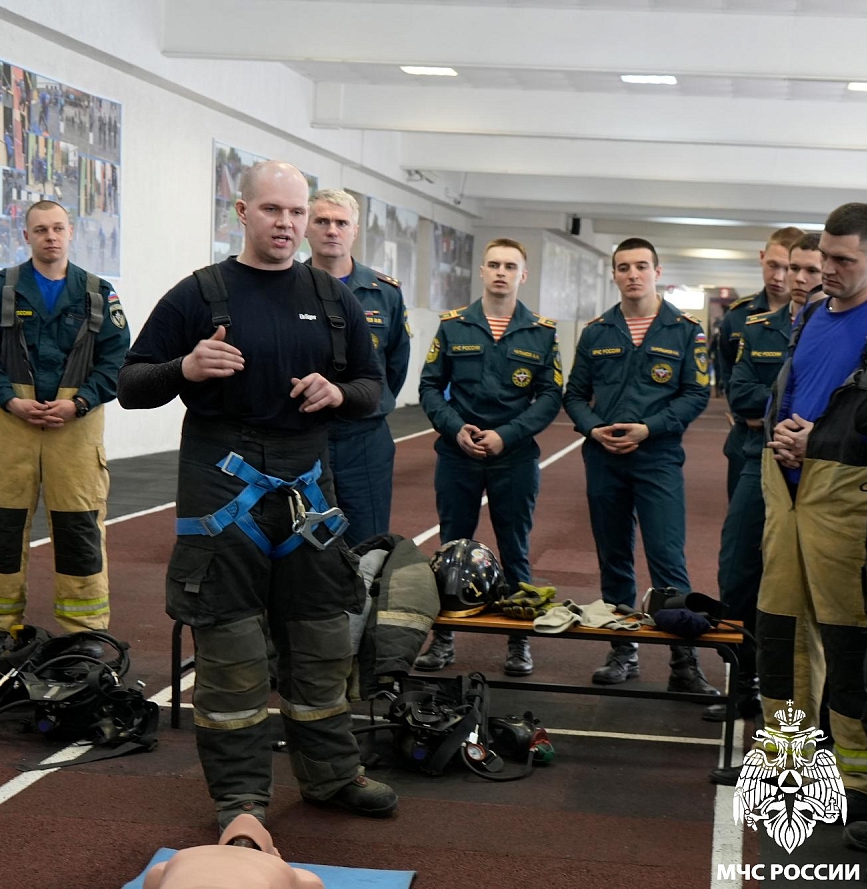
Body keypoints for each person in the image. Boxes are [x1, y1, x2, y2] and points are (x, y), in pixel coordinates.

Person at [118, 161, 397, 831]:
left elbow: (373, 388)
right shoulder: (198, 295)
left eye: (297, 212)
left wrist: (338, 393)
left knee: (323, 639)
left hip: (309, 488)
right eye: (273, 209)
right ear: (241, 212)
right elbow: (129, 384)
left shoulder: (332, 299)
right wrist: (185, 367)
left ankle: (332, 776)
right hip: (222, 486)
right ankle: (241, 796)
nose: (287, 224)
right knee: (233, 653)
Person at [711, 205, 867, 812]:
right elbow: (795, 388)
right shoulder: (809, 316)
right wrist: (782, 429)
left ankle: (860, 782)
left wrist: (819, 440)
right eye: (823, 256)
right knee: (780, 629)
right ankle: (788, 765)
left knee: (848, 636)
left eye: (842, 260)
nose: (825, 270)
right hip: (784, 485)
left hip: (846, 492)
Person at [0, 200, 129, 658]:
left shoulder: (98, 293)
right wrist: (10, 398)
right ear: (26, 236)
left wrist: (80, 402)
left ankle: (85, 630)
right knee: (0, 524)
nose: (50, 237)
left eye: (57, 228)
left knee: (79, 526)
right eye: (40, 230)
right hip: (10, 425)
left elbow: (117, 358)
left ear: (71, 232)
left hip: (75, 428)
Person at [563, 238, 715, 692]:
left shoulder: (685, 330)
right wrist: (593, 429)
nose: (633, 274)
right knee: (613, 557)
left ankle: (683, 661)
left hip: (658, 457)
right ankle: (622, 650)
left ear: (657, 272)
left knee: (667, 558)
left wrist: (649, 429)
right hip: (604, 458)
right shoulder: (597, 332)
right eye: (624, 267)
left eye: (641, 266)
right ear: (614, 274)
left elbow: (696, 393)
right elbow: (574, 394)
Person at [414, 238, 562, 677]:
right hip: (457, 454)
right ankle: (444, 638)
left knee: (515, 548)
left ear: (523, 275)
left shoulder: (541, 332)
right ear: (481, 271)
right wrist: (454, 428)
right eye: (494, 264)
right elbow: (429, 386)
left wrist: (506, 435)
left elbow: (550, 396)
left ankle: (519, 639)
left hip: (513, 457)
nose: (501, 272)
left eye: (510, 266)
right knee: (451, 548)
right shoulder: (454, 326)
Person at [703, 234, 823, 724]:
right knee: (738, 571)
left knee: (815, 583)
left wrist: (781, 416)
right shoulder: (758, 327)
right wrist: (785, 416)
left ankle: (814, 695)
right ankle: (744, 680)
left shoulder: (840, 329)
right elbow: (740, 394)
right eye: (794, 268)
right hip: (759, 457)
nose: (799, 279)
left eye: (811, 270)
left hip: (820, 467)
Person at [303, 188, 411, 546]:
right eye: (322, 221)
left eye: (341, 223)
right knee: (303, 543)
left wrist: (363, 401)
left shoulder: (385, 293)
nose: (332, 230)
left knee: (367, 542)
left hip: (364, 439)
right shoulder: (283, 287)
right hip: (302, 434)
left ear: (355, 231)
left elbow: (394, 366)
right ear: (306, 227)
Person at [716, 228, 804, 498]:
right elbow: (730, 380)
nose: (778, 277)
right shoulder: (738, 316)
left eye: (787, 268)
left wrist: (773, 409)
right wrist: (746, 411)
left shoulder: (817, 318)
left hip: (797, 440)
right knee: (741, 519)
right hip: (747, 435)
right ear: (761, 257)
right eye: (772, 265)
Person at [144, 814, 324, 889]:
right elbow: (312, 883)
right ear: (274, 852)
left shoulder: (182, 857)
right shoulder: (283, 869)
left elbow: (155, 874)